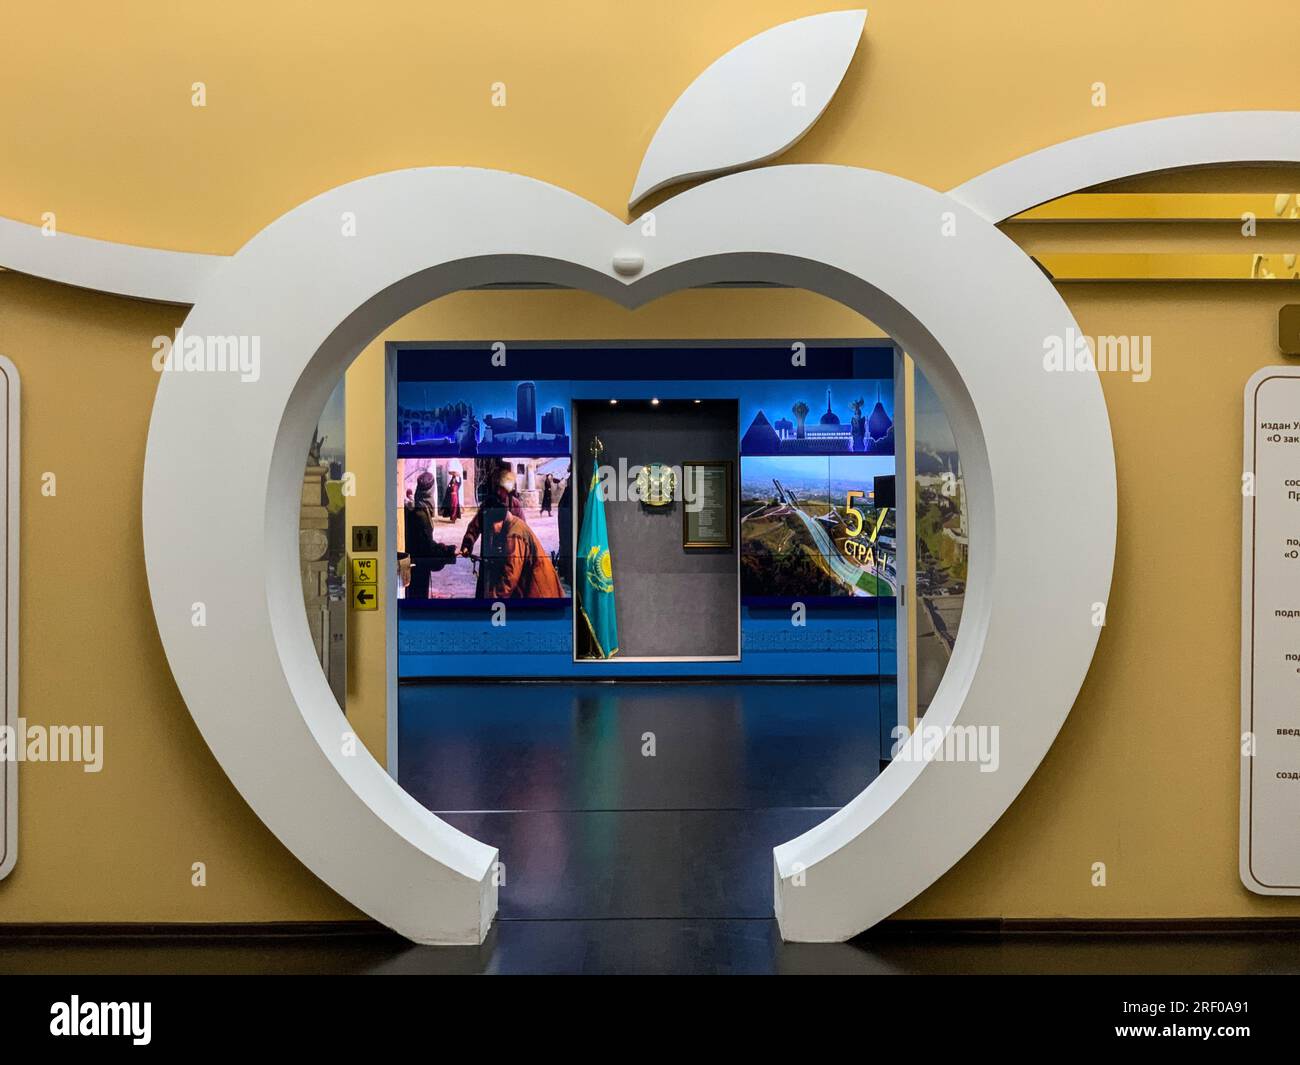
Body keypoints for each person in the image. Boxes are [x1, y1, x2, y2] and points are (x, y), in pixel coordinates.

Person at [475, 493, 564, 599]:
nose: (491, 531)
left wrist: (494, 597)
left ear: (496, 521)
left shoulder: (514, 535)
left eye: (490, 526)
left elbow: (510, 575)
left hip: (541, 593)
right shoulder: (511, 523)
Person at [404, 471, 439, 599]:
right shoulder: (421, 514)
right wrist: (443, 549)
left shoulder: (417, 508)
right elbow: (426, 545)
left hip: (415, 563)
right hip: (418, 565)